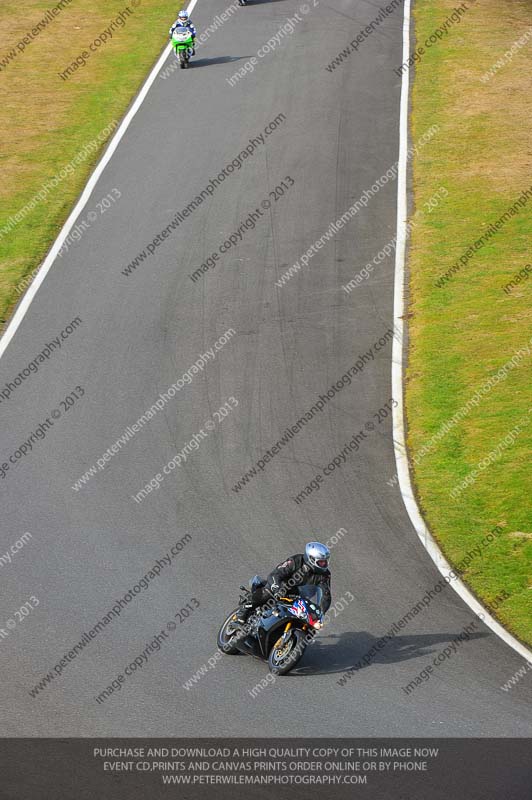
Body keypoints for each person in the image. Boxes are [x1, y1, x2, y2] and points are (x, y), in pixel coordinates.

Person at [235, 542, 332, 624]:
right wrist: (277, 587)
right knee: (268, 592)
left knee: (306, 619)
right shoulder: (296, 561)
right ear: (311, 559)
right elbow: (276, 574)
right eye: (321, 562)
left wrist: (321, 613)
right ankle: (243, 611)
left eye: (325, 562)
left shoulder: (325, 575)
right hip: (280, 587)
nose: (324, 564)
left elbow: (326, 595)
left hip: (297, 596)